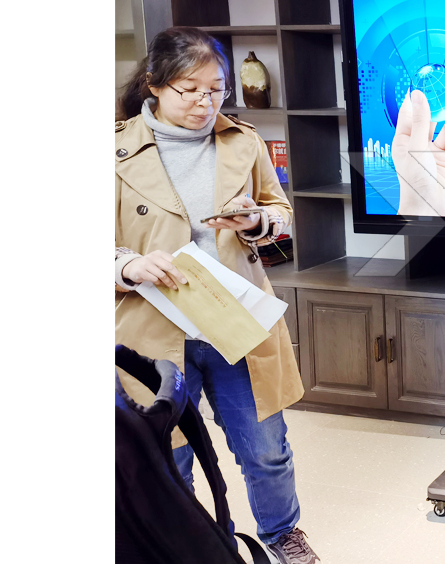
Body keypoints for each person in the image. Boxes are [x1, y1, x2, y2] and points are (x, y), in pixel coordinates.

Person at [114, 27, 319, 564]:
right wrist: (127, 264)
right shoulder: (111, 151)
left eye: (216, 89)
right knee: (169, 456)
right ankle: (184, 547)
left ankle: (282, 534)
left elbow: (280, 210)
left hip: (235, 321)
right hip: (156, 328)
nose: (206, 103)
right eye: (190, 90)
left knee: (266, 448)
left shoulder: (243, 141)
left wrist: (258, 220)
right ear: (155, 84)